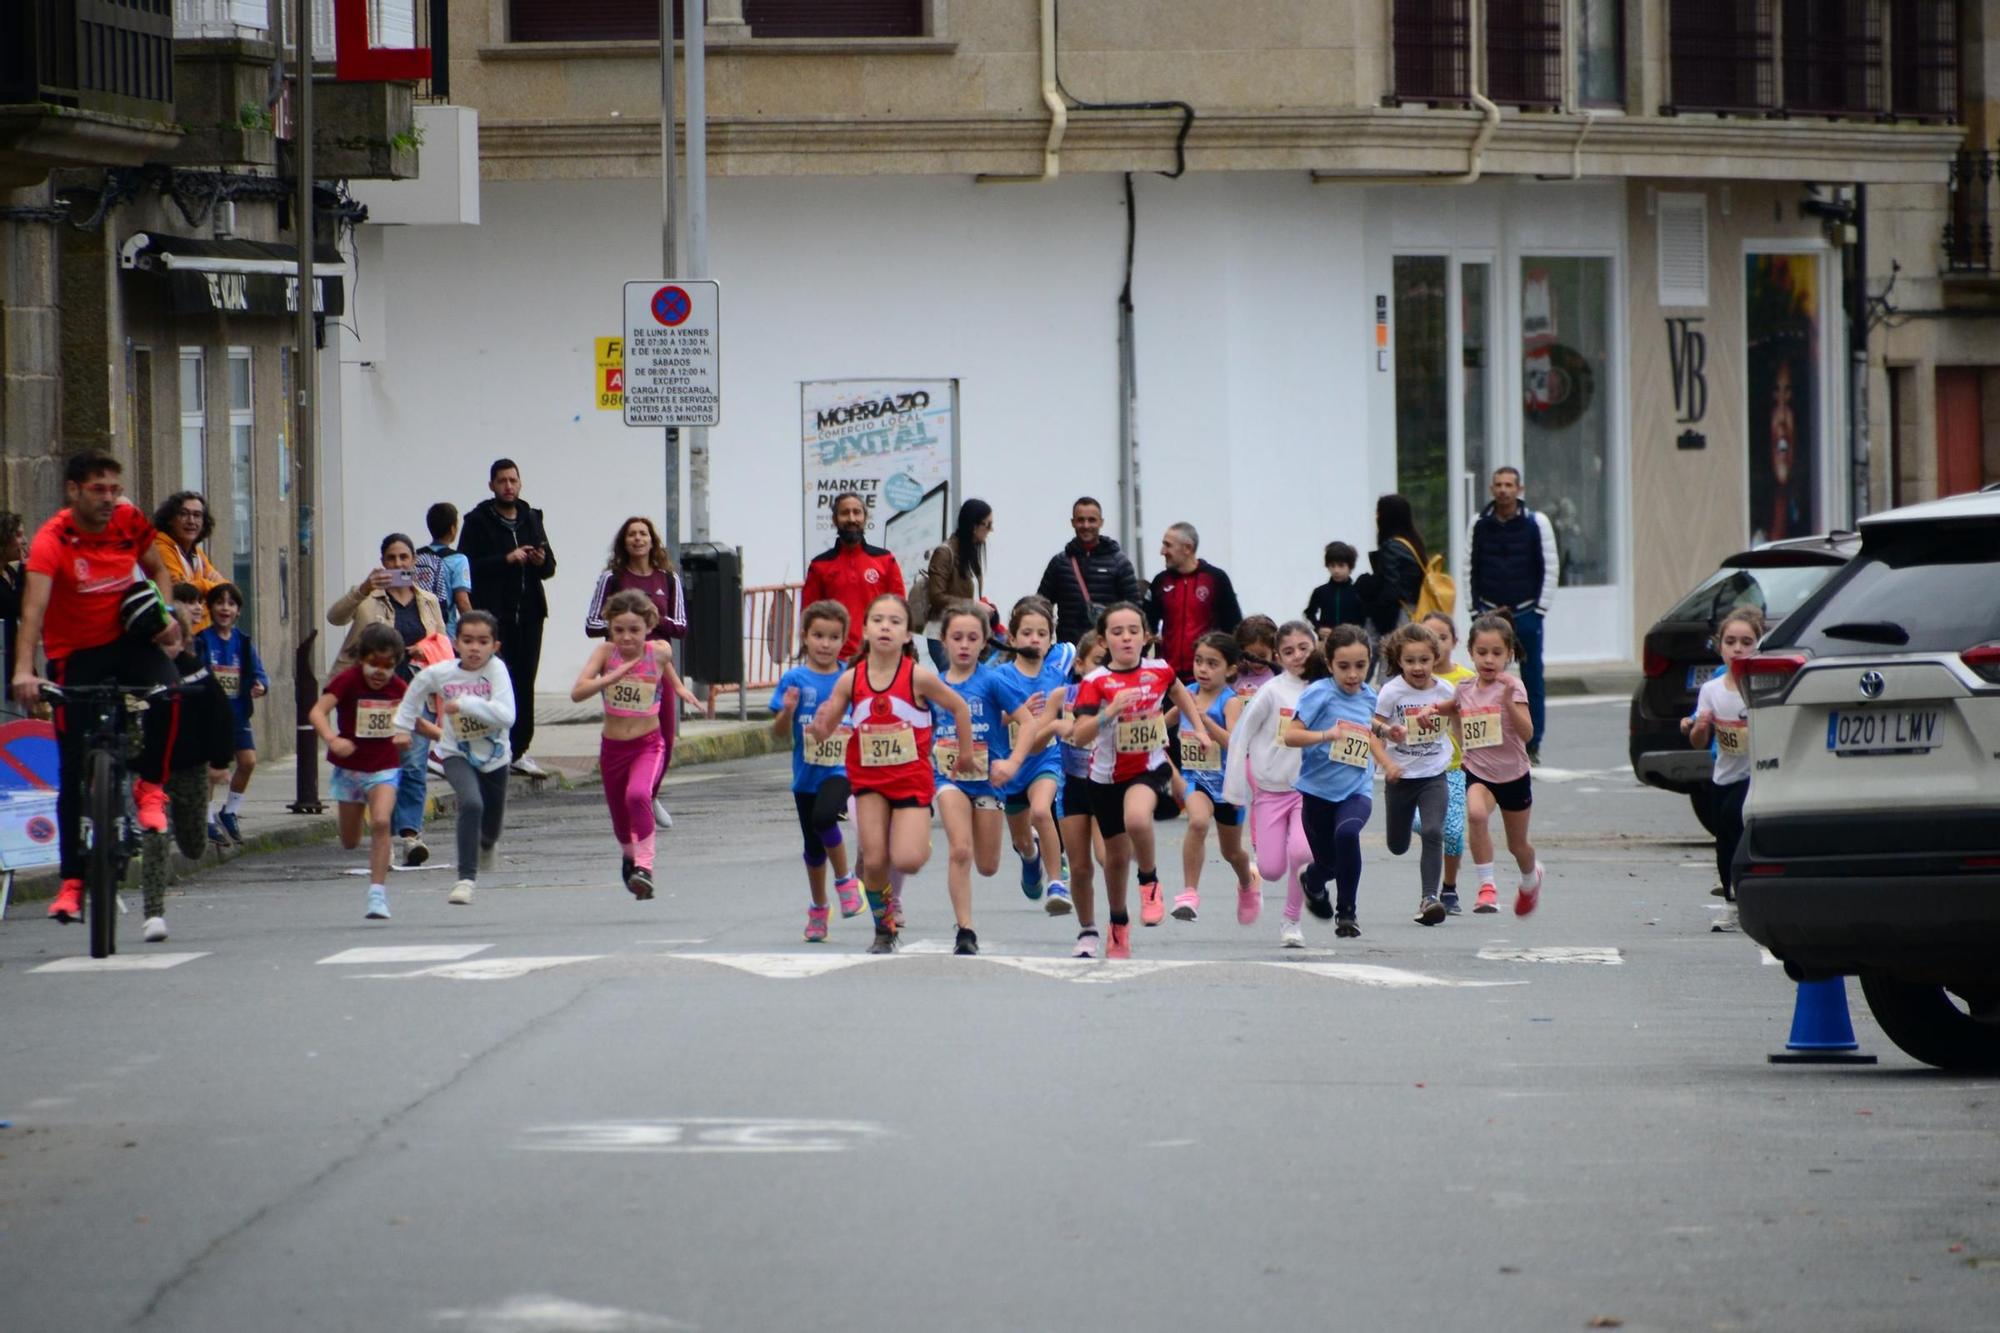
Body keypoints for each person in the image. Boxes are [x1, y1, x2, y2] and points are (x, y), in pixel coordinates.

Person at [12, 451, 180, 925]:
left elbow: (160, 570)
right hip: (76, 655)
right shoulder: (52, 541)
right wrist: (25, 671)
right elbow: (33, 611)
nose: (109, 498)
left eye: (113, 488)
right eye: (98, 489)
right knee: (70, 768)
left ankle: (150, 787)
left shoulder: (130, 521)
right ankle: (71, 882)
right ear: (73, 491)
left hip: (129, 640)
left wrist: (163, 617)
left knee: (170, 694)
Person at [803, 593, 975, 954]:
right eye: (878, 620)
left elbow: (959, 707)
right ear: (865, 630)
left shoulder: (919, 677)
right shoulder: (851, 680)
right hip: (868, 782)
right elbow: (827, 726)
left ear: (907, 635)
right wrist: (818, 727)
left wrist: (964, 754)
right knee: (875, 862)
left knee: (908, 859)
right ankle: (884, 928)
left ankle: (908, 836)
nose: (886, 627)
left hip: (910, 779)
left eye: (895, 622)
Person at [1066, 602, 1204, 959]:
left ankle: (1150, 882)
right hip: (1104, 778)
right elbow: (1079, 736)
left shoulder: (1159, 670)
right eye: (1117, 632)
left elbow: (1180, 694)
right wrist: (1109, 712)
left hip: (1148, 766)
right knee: (1114, 858)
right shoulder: (1095, 682)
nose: (1126, 638)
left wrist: (1199, 729)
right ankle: (1118, 923)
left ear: (1146, 636)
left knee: (1138, 819)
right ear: (1104, 639)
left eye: (1133, 631)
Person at [571, 590, 701, 901]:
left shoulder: (657, 651)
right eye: (619, 630)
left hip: (647, 745)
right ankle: (630, 858)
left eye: (634, 630)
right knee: (619, 819)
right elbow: (577, 692)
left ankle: (645, 867)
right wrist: (611, 677)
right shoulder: (605, 654)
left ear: (648, 628)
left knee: (639, 795)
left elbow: (665, 661)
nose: (627, 637)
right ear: (609, 628)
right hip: (612, 748)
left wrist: (680, 688)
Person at [328, 532, 448, 868]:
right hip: (370, 694)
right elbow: (334, 617)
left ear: (413, 561)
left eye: (404, 558)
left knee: (412, 764)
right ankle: (382, 832)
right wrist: (363, 588)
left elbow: (441, 640)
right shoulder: (368, 597)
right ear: (383, 562)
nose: (398, 564)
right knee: (378, 764)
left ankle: (410, 835)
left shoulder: (428, 601)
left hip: (415, 687)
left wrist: (424, 648)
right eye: (391, 559)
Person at [926, 602, 1033, 955]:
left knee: (987, 866)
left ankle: (1028, 848)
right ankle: (965, 931)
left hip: (989, 780)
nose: (964, 645)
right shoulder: (933, 685)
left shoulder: (992, 681)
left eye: (973, 638)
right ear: (943, 640)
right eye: (957, 637)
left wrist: (1014, 763)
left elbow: (1028, 723)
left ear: (984, 642)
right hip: (949, 778)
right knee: (960, 850)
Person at [394, 612, 516, 908]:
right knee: (471, 803)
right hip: (455, 752)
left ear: (495, 646)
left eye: (483, 642)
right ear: (456, 643)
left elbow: (506, 715)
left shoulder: (496, 671)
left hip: (495, 757)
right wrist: (401, 727)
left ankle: (487, 843)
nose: (475, 648)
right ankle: (465, 879)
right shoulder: (444, 673)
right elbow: (416, 690)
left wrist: (465, 704)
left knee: (491, 825)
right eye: (468, 641)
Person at [1424, 614, 1543, 916]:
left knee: (1518, 847)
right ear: (1472, 653)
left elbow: (1527, 733)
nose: (1489, 660)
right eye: (1482, 653)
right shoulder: (1465, 688)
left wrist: (1506, 702)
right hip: (1478, 772)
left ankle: (1531, 877)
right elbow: (1451, 707)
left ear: (1509, 655)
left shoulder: (1513, 687)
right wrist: (1431, 709)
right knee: (1476, 814)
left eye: (1496, 653)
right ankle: (1486, 887)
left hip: (1513, 775)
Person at [1282, 626, 1393, 939]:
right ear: (1330, 664)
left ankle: (1347, 913)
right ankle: (1313, 882)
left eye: (1361, 666)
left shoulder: (1369, 696)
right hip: (1318, 792)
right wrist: (1325, 735)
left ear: (1370, 662)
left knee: (1347, 834)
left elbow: (1366, 724)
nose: (1353, 674)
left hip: (1356, 788)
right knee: (1327, 865)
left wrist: (1387, 732)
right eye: (1344, 667)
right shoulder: (1319, 693)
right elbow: (1290, 735)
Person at [137, 604, 238, 943]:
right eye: (159, 641)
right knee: (156, 836)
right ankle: (153, 913)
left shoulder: (196, 672)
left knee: (194, 845)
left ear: (182, 640)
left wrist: (220, 761)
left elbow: (220, 716)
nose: (166, 649)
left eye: (172, 641)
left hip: (190, 769)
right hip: (152, 774)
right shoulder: (138, 671)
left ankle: (190, 836)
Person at [584, 516, 689, 828]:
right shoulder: (612, 578)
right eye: (632, 534)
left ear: (652, 541)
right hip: (621, 668)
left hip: (657, 668)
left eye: (643, 534)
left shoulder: (668, 578)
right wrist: (626, 628)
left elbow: (681, 626)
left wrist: (650, 622)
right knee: (625, 733)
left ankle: (649, 794)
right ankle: (629, 794)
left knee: (665, 735)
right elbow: (592, 624)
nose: (638, 539)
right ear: (624, 542)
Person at [769, 601, 864, 943]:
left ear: (844, 641)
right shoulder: (794, 679)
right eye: (819, 636)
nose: (826, 644)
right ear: (805, 637)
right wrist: (788, 712)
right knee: (812, 847)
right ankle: (819, 908)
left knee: (825, 818)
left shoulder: (849, 678)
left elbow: (861, 718)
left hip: (839, 769)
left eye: (834, 637)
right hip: (805, 775)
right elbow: (779, 733)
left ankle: (845, 880)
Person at [459, 459, 556, 776]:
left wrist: (540, 560)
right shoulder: (477, 521)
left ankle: (519, 749)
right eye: (502, 481)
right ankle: (491, 746)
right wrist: (506, 559)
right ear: (492, 485)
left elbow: (550, 568)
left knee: (525, 681)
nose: (508, 486)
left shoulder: (531, 518)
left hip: (529, 614)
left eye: (513, 480)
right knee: (497, 681)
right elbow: (468, 564)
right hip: (495, 616)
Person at [1223, 620, 1317, 946]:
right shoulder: (1271, 691)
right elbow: (1242, 735)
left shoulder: (1323, 688)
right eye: (1289, 651)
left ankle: (1291, 921)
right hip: (1270, 790)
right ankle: (1252, 879)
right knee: (1272, 867)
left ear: (1315, 648)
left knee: (1302, 853)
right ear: (1279, 655)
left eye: (1304, 648)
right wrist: (1234, 788)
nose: (1297, 656)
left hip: (1308, 790)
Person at [309, 624, 409, 921]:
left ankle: (377, 894)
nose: (380, 672)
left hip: (384, 766)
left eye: (388, 666)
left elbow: (413, 716)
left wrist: (408, 734)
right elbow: (317, 711)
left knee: (380, 822)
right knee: (350, 841)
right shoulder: (348, 681)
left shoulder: (399, 688)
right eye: (373, 664)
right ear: (361, 659)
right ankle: (369, 848)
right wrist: (332, 739)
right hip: (350, 769)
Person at [987, 596, 1074, 914]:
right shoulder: (1000, 678)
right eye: (1026, 633)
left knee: (1041, 811)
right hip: (1010, 767)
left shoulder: (1057, 678)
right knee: (1022, 839)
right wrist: (1015, 716)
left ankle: (1056, 884)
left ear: (1051, 639)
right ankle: (1030, 856)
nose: (1034, 639)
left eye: (1041, 633)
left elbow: (1068, 715)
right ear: (1011, 638)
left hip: (1044, 761)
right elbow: (988, 721)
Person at [1468, 467, 1558, 764]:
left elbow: (1550, 566)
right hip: (1489, 611)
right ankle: (1485, 740)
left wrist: (1539, 610)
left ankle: (1533, 744)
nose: (1504, 490)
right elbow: (1470, 566)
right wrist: (1474, 610)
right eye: (1498, 485)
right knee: (1485, 677)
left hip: (1526, 611)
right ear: (1492, 489)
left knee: (1533, 680)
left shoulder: (1536, 522)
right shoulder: (1479, 523)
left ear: (1519, 488)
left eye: (1509, 485)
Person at [1683, 608, 1762, 934]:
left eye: (1747, 642)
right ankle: (1731, 901)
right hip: (1724, 773)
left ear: (1759, 645)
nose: (1738, 649)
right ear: (1720, 647)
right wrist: (1701, 725)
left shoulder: (1761, 685)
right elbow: (1697, 742)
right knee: (1724, 837)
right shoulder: (1711, 690)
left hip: (1756, 775)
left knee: (1738, 825)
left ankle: (1747, 898)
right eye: (1731, 642)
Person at [1169, 631, 1256, 923]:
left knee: (1232, 852)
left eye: (1212, 663)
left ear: (1230, 669)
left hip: (1228, 785)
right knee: (1196, 822)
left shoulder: (1230, 702)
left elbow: (1235, 743)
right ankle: (1189, 894)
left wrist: (1204, 721)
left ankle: (1247, 882)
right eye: (1199, 661)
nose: (1203, 669)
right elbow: (1162, 722)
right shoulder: (1187, 693)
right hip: (1196, 780)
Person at [1374, 623, 1458, 927]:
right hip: (1400, 777)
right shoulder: (1392, 691)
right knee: (1397, 846)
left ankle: (1429, 898)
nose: (1418, 667)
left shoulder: (1445, 691)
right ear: (1399, 661)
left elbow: (1458, 723)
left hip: (1435, 773)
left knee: (1435, 831)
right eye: (1410, 661)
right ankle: (1407, 828)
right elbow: (1373, 729)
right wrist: (1386, 761)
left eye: (1424, 660)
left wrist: (1470, 754)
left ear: (1435, 658)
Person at [193, 582, 267, 846]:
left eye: (231, 604)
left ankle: (231, 810)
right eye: (220, 602)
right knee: (212, 767)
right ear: (209, 608)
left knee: (247, 761)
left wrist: (260, 686)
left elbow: (259, 673)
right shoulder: (202, 641)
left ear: (238, 611)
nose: (225, 608)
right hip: (211, 717)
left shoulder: (244, 643)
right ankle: (207, 817)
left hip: (237, 714)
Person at [1050, 631, 1109, 957]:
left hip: (1106, 784)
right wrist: (1052, 728)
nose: (1102, 670)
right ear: (1081, 665)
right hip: (1072, 785)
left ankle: (1118, 921)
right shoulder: (1064, 695)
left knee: (1108, 858)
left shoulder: (1117, 694)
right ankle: (1087, 930)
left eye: (1107, 664)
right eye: (1097, 662)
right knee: (1081, 865)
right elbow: (1037, 731)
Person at [800, 492, 905, 662]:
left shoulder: (885, 560)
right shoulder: (820, 565)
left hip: (877, 657)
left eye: (857, 512)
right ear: (835, 519)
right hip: (833, 660)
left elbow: (900, 611)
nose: (851, 518)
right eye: (844, 513)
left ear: (865, 517)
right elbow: (808, 615)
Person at [1419, 610, 1475, 914]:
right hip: (1416, 769)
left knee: (1451, 831)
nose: (1436, 644)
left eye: (1442, 637)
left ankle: (1449, 888)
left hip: (1454, 767)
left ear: (1454, 641)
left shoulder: (1467, 680)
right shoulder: (1411, 679)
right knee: (1423, 825)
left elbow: (1484, 719)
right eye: (1428, 638)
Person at [1144, 522, 1243, 684]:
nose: (1162, 552)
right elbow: (1146, 628)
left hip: (1206, 678)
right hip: (1168, 677)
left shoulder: (1216, 579)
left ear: (1187, 548)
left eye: (1168, 545)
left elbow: (1233, 626)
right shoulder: (1160, 581)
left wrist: (1232, 666)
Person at [1036, 496, 1142, 644]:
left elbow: (1135, 611)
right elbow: (1040, 607)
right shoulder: (1059, 563)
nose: (1086, 525)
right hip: (1069, 649)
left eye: (1092, 520)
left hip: (1107, 649)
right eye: (1080, 520)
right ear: (1073, 523)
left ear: (1101, 522)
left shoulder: (1120, 563)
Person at [919, 499, 992, 669]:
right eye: (987, 525)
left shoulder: (970, 552)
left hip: (964, 630)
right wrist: (973, 605)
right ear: (974, 525)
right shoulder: (945, 552)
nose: (990, 530)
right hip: (942, 635)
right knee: (955, 685)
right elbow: (936, 596)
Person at [151, 492, 226, 630]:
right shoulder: (161, 547)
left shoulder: (196, 552)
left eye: (197, 515)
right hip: (176, 635)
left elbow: (225, 589)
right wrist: (208, 585)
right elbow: (181, 591)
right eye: (184, 514)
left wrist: (204, 588)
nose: (191, 521)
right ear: (170, 519)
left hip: (201, 635)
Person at [414, 503, 474, 638]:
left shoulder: (416, 557)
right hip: (446, 631)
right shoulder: (458, 559)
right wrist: (475, 628)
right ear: (453, 529)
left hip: (419, 627)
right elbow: (462, 601)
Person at [1303, 541, 1370, 643]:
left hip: (1352, 643)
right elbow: (1308, 614)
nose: (1336, 570)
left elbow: (1365, 620)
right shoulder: (1320, 591)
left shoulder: (1358, 592)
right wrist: (1318, 628)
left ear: (1350, 567)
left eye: (1341, 565)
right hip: (1326, 643)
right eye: (1332, 566)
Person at [0, 512, 25, 717]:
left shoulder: (11, 572)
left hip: (14, 655)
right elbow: (15, 606)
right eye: (17, 535)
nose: (23, 541)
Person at [1231, 615, 1279, 698]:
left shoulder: (1278, 677)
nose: (1257, 662)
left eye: (1262, 656)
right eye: (1250, 657)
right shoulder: (1235, 676)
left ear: (1274, 650)